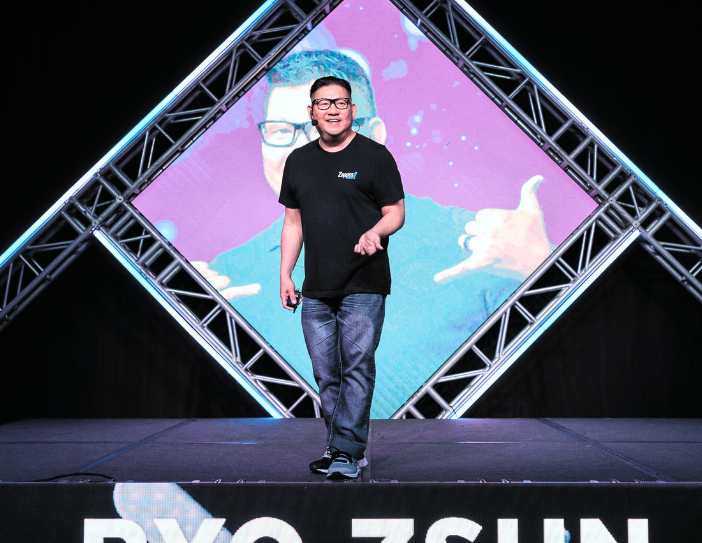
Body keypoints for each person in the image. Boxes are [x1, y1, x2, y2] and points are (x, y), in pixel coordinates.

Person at [193, 50, 555, 423]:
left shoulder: (477, 244)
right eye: (281, 131)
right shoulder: (230, 278)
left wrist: (542, 266)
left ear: (374, 136)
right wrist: (192, 317)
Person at [276, 75, 405, 479]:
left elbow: (396, 212)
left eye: (340, 102)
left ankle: (347, 450)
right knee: (326, 374)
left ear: (353, 110)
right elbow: (293, 223)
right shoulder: (299, 161)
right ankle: (341, 449)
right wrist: (285, 274)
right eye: (323, 103)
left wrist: (375, 232)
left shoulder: (375, 156)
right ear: (311, 112)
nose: (332, 110)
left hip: (363, 283)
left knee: (356, 367)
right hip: (316, 288)